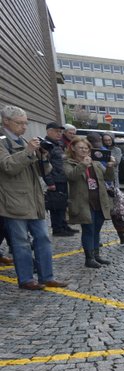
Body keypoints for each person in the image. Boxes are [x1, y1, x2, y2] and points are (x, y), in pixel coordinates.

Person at [0, 105, 68, 289]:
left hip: (34, 199)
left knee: (43, 238)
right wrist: (28, 152)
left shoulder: (23, 141)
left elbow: (43, 171)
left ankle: (47, 276)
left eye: (25, 123)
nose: (24, 126)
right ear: (6, 121)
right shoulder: (2, 142)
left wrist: (43, 158)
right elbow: (8, 167)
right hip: (14, 200)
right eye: (20, 123)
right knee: (21, 242)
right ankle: (26, 279)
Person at [65, 136, 115, 268]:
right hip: (83, 202)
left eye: (86, 148)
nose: (84, 150)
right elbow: (71, 177)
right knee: (88, 229)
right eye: (81, 148)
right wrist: (83, 164)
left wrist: (110, 167)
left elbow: (108, 177)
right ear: (73, 149)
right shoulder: (69, 162)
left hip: (98, 200)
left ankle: (96, 255)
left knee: (96, 229)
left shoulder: (96, 163)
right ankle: (89, 258)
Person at [100, 133, 124, 244]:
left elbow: (116, 162)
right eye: (105, 140)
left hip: (112, 182)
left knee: (117, 211)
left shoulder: (116, 150)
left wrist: (109, 160)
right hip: (101, 183)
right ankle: (95, 239)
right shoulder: (98, 150)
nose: (107, 142)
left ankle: (123, 235)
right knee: (101, 212)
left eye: (109, 140)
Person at [41, 122, 76, 237]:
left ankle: (63, 225)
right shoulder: (46, 145)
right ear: (49, 131)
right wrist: (50, 182)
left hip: (62, 178)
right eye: (56, 131)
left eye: (60, 132)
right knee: (56, 205)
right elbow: (44, 164)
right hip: (55, 179)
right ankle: (57, 228)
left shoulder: (57, 144)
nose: (59, 134)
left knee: (63, 204)